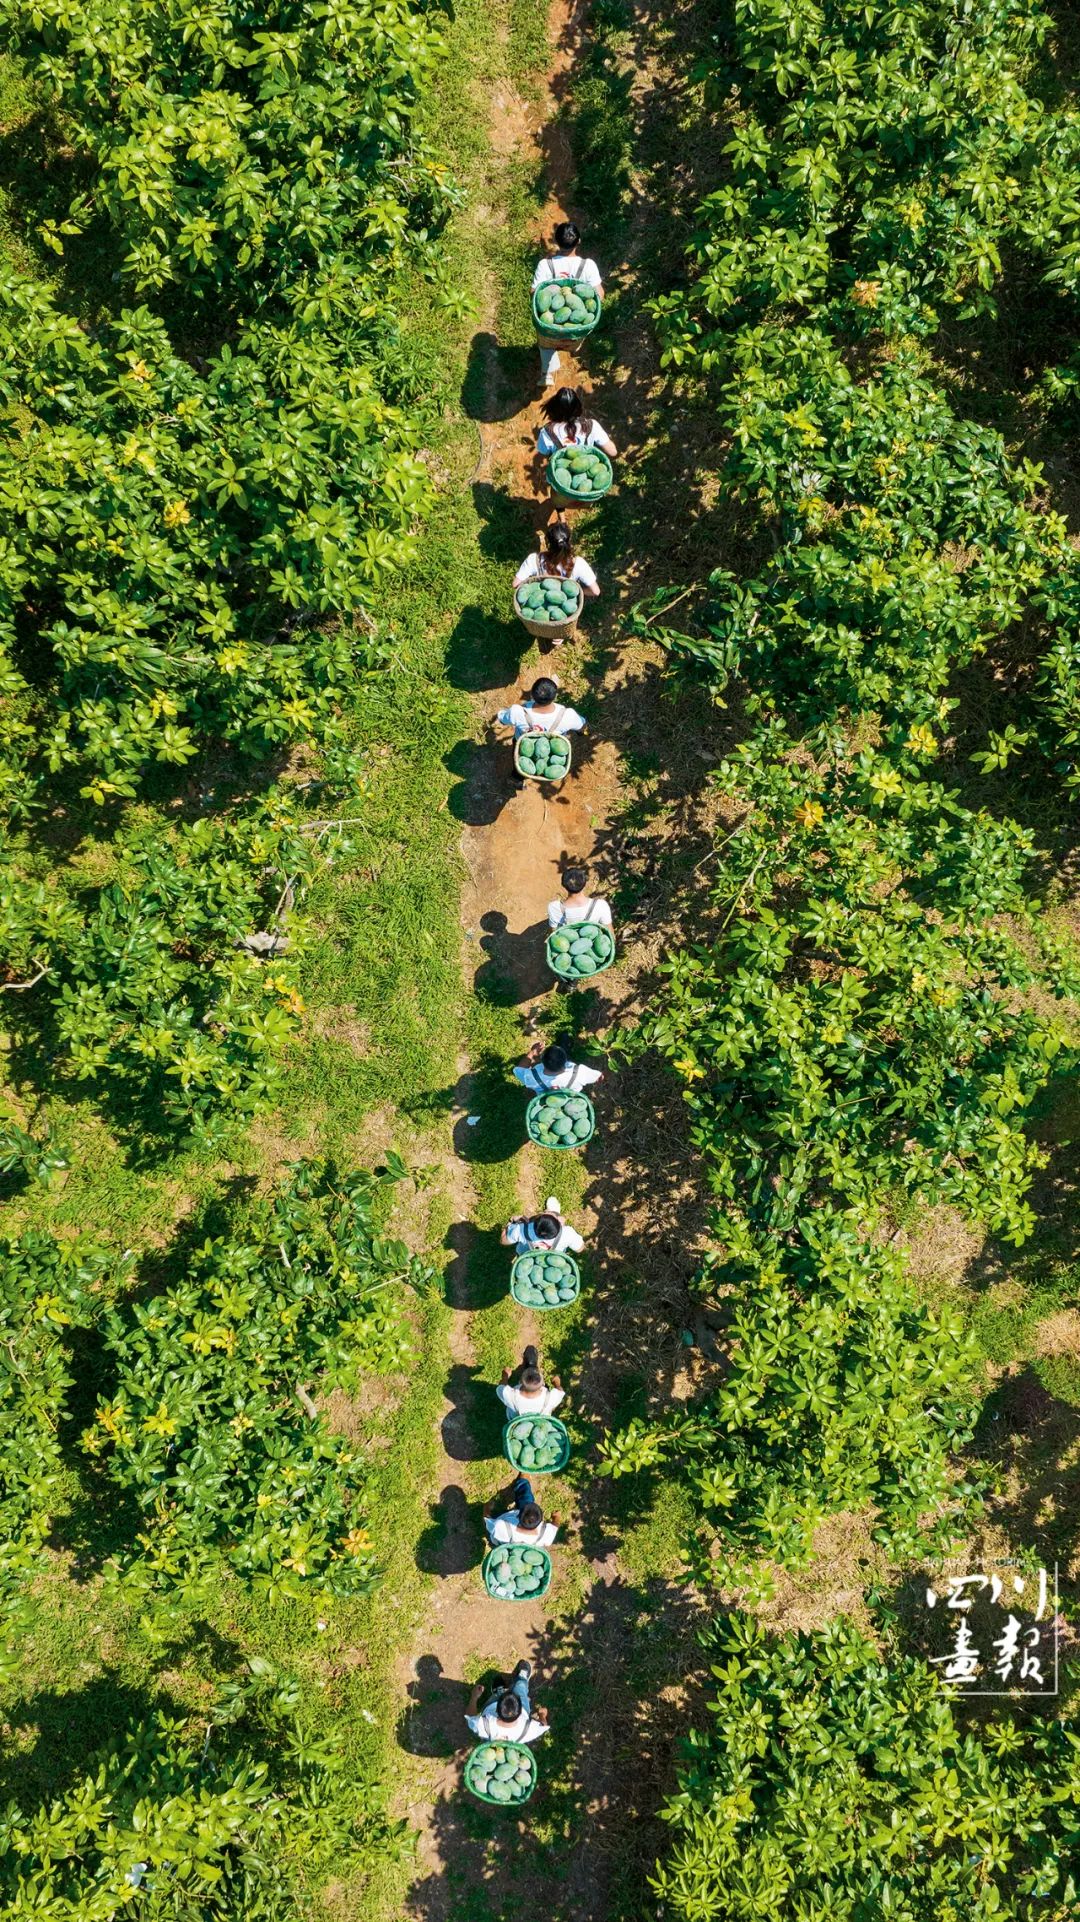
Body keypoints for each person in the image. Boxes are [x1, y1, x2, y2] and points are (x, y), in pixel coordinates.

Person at [533, 221, 604, 386]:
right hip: (574, 330)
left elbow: (534, 292)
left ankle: (546, 375)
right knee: (571, 341)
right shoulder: (588, 266)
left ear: (556, 242)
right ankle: (570, 349)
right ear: (578, 241)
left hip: (549, 328)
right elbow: (599, 295)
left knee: (546, 344)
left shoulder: (545, 265)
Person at [513, 522, 599, 647]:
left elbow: (516, 584)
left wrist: (531, 589)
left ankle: (543, 630)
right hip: (563, 616)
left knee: (544, 614)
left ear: (547, 543)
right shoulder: (579, 564)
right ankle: (559, 633)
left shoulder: (534, 560)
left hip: (539, 612)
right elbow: (595, 591)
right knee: (561, 615)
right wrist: (576, 592)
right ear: (569, 543)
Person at [535, 387, 617, 499]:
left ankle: (561, 515)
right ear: (578, 408)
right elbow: (613, 452)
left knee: (558, 497)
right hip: (585, 487)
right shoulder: (592, 426)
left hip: (561, 482)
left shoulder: (547, 433)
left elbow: (543, 452)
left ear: (553, 409)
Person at [466, 1661, 548, 1744]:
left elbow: (470, 1717)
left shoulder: (482, 1725)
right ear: (520, 1711)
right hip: (521, 1711)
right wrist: (542, 1715)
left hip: (491, 1706)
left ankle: (499, 1692)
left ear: (497, 1710)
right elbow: (543, 1725)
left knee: (499, 1694)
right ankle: (522, 1678)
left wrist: (474, 1697)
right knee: (520, 1687)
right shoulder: (529, 1731)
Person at [496, 677, 586, 742]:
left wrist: (503, 716)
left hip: (523, 742)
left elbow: (502, 718)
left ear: (532, 695)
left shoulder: (517, 712)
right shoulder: (568, 716)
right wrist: (581, 732)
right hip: (551, 745)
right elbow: (581, 725)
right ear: (555, 697)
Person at [483, 1478, 560, 1547]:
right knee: (527, 1499)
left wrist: (486, 1508)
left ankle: (523, 1480)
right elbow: (555, 1526)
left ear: (517, 1515)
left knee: (526, 1497)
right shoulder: (546, 1535)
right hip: (509, 1544)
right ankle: (523, 1479)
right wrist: (556, 1517)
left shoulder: (500, 1527)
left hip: (504, 1524)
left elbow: (487, 1519)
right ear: (540, 1522)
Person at [498, 1344, 567, 1418]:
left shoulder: (510, 1396)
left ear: (521, 1381)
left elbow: (501, 1386)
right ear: (542, 1385)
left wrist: (505, 1376)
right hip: (539, 1421)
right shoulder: (550, 1398)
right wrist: (556, 1383)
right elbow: (560, 1391)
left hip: (516, 1421)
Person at [513, 1040, 604, 1095]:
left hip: (547, 1102)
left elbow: (519, 1069)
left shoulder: (531, 1078)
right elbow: (599, 1077)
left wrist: (532, 1052)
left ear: (542, 1062)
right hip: (570, 1100)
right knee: (564, 1040)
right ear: (566, 1061)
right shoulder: (580, 1072)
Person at [500, 1198, 584, 1255]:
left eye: (546, 1212)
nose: (546, 1211)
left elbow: (503, 1241)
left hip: (526, 1255)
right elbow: (580, 1249)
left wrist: (510, 1223)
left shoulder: (520, 1230)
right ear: (560, 1225)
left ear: (535, 1221)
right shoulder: (567, 1233)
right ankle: (555, 1210)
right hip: (553, 1258)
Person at [548, 864, 612, 932]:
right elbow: (611, 935)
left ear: (563, 885)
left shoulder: (554, 907)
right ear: (585, 884)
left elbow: (553, 932)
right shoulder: (601, 905)